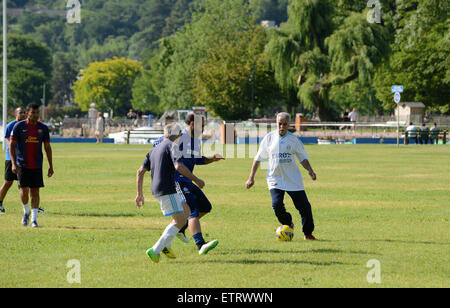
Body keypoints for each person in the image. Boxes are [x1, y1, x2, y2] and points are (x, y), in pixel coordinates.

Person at [135, 123, 209, 263]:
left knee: (186, 211)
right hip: (167, 189)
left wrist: (139, 194)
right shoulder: (173, 146)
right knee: (180, 221)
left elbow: (140, 172)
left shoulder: (155, 149)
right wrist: (196, 179)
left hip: (161, 189)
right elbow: (179, 166)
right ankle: (156, 249)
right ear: (179, 135)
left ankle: (166, 245)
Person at [151, 114, 223, 255]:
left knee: (205, 207)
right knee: (193, 211)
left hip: (187, 180)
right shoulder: (178, 136)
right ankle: (200, 244)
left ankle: (181, 228)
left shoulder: (195, 141)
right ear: (191, 125)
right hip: (176, 181)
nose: (203, 128)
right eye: (201, 125)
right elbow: (158, 143)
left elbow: (197, 160)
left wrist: (212, 159)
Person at [246, 112, 318, 240]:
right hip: (275, 178)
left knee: (305, 207)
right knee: (277, 204)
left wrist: (310, 171)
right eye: (280, 124)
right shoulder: (268, 138)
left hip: (293, 178)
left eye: (285, 124)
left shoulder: (294, 140)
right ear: (276, 123)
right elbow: (258, 158)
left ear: (289, 125)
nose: (282, 127)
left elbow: (303, 158)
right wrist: (251, 177)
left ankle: (308, 234)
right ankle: (288, 222)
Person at [9, 103, 54, 228]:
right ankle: (26, 211)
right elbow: (11, 145)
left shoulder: (43, 128)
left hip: (37, 165)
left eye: (37, 113)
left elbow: (47, 147)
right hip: (22, 164)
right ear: (27, 113)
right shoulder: (19, 126)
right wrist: (13, 163)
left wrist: (51, 165)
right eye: (32, 113)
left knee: (35, 192)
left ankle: (34, 220)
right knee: (24, 192)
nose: (35, 115)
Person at [0, 107, 27, 214]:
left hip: (23, 159)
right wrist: (13, 161)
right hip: (11, 159)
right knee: (8, 183)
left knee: (27, 184)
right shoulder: (10, 126)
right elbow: (10, 143)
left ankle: (33, 206)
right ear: (16, 114)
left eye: (24, 113)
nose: (23, 114)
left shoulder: (26, 125)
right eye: (20, 113)